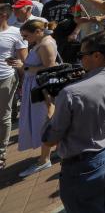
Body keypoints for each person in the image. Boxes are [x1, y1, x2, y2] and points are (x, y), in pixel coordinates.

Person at [42, 30, 105, 212]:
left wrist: (51, 107)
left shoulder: (72, 93)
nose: (79, 59)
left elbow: (50, 139)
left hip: (83, 165)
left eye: (81, 55)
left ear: (97, 55)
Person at [13, 18, 58, 177]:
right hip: (37, 87)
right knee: (45, 120)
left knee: (44, 121)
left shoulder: (45, 44)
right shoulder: (41, 43)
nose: (25, 39)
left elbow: (50, 69)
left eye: (26, 36)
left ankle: (44, 160)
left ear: (37, 32)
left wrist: (24, 66)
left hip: (41, 89)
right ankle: (55, 151)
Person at [0, 4, 27, 171]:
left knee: (3, 116)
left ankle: (1, 153)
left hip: (5, 79)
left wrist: (24, 79)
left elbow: (24, 60)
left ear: (3, 15)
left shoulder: (15, 33)